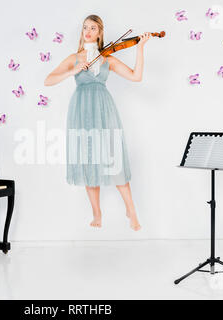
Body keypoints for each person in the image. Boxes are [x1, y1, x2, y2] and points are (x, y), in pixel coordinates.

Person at [44, 14, 150, 231]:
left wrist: (140, 48)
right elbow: (48, 80)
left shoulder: (107, 58)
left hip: (104, 109)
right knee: (88, 158)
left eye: (93, 28)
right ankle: (97, 213)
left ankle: (131, 210)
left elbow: (136, 76)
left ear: (100, 32)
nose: (88, 31)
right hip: (81, 110)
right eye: (85, 28)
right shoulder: (74, 58)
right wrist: (73, 70)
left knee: (114, 158)